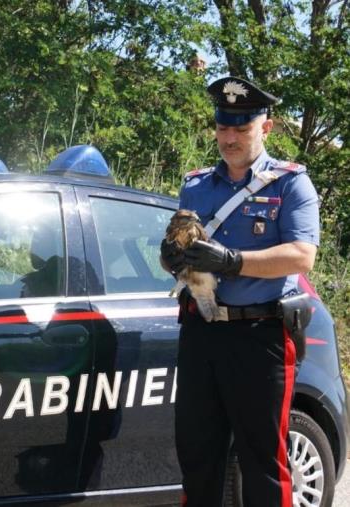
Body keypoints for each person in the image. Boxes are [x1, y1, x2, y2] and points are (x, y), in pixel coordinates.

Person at [161, 76, 320, 507]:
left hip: (260, 336)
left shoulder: (290, 184)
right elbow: (184, 247)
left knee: (263, 462)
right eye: (222, 127)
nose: (229, 138)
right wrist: (172, 258)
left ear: (264, 128)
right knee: (197, 456)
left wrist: (232, 261)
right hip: (202, 333)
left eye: (241, 129)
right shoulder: (195, 185)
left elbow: (302, 256)